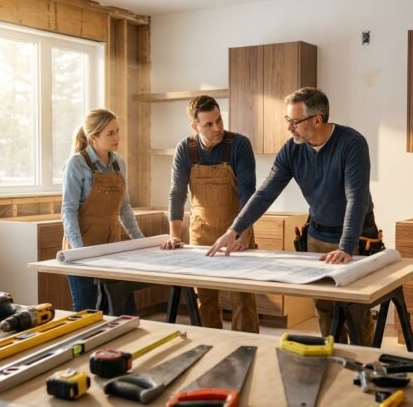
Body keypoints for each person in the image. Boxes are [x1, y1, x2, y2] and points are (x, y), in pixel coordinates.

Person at [206, 87, 380, 345]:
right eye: (288, 121)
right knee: (325, 308)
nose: (290, 128)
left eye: (295, 122)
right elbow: (265, 193)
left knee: (356, 311)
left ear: (317, 120)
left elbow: (357, 199)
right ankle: (334, 361)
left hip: (356, 238)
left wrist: (345, 247)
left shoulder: (352, 143)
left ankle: (364, 363)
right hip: (317, 236)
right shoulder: (292, 150)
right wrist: (235, 230)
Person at [159, 95, 260, 333]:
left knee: (243, 297)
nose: (217, 128)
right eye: (208, 124)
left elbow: (248, 193)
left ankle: (247, 347)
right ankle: (211, 346)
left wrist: (243, 235)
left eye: (219, 120)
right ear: (195, 127)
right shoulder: (186, 149)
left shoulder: (239, 145)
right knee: (205, 298)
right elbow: (176, 193)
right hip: (201, 231)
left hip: (236, 228)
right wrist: (174, 235)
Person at [61, 108, 144, 314]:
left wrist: (141, 241)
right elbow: (68, 210)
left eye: (117, 131)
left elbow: (124, 208)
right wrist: (81, 252)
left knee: (120, 310)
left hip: (111, 249)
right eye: (110, 133)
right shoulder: (77, 164)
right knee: (86, 312)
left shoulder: (118, 162)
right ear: (93, 137)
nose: (117, 137)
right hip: (82, 249)